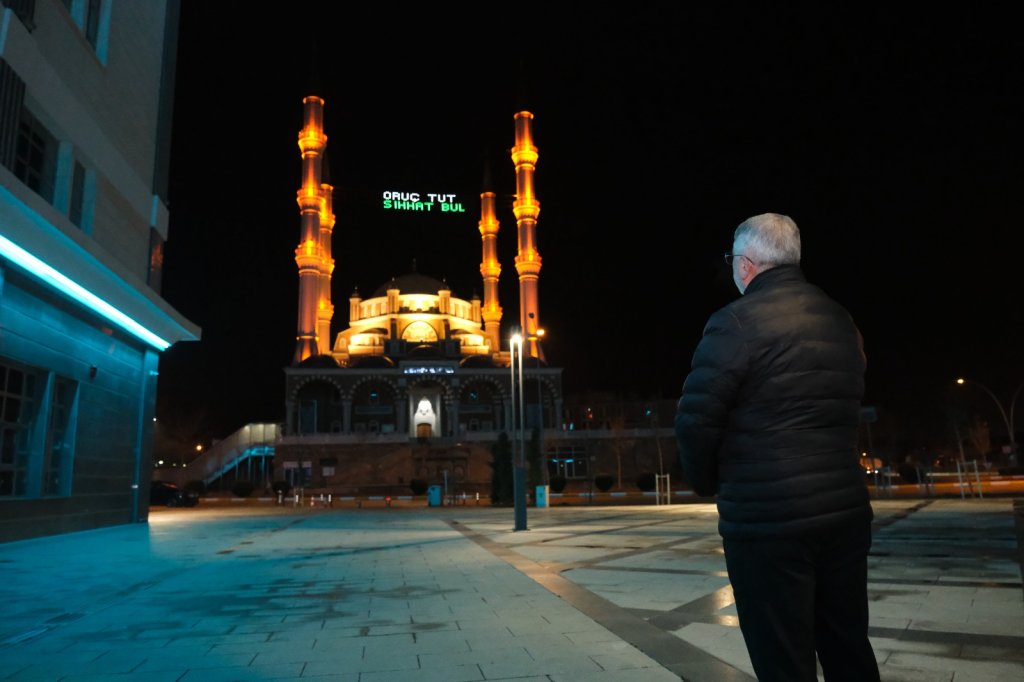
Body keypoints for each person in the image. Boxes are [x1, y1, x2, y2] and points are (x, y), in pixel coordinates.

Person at [674, 213, 880, 681]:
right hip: (844, 515)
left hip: (768, 522)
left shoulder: (735, 323)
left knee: (782, 656)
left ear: (745, 265)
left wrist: (708, 483)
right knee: (848, 646)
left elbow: (696, 419)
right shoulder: (840, 319)